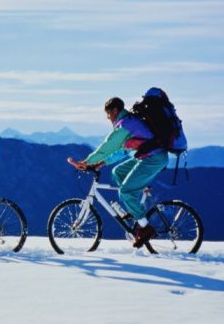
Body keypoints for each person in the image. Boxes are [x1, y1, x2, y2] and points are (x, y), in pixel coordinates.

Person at [68, 96, 168, 248]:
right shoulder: (129, 122)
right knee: (118, 172)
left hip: (154, 159)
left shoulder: (124, 126)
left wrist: (86, 161)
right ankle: (134, 200)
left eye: (108, 114)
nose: (108, 118)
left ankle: (146, 228)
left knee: (126, 192)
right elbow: (121, 152)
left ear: (115, 110)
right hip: (149, 157)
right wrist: (101, 163)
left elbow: (107, 147)